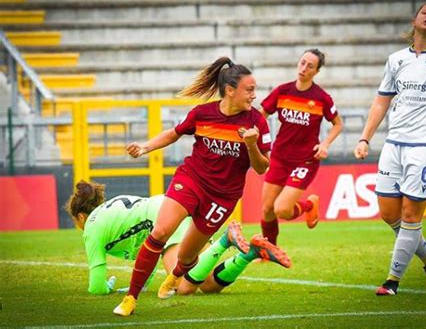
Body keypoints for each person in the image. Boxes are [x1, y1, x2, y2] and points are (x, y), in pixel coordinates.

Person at [113, 57, 272, 316]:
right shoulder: (202, 114)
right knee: (160, 231)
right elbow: (174, 133)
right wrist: (145, 146)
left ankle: (174, 276)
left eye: (255, 89)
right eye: (250, 89)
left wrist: (252, 144)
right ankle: (130, 298)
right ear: (230, 91)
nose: (254, 95)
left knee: (187, 258)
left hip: (223, 197)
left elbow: (262, 167)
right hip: (191, 180)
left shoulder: (257, 122)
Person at [353, 3, 426, 295]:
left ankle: (392, 281)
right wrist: (365, 138)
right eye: (425, 12)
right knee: (388, 213)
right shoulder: (396, 60)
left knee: (411, 215)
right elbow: (381, 101)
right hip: (394, 144)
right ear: (414, 20)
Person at [259, 49, 343, 245]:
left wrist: (325, 144)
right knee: (267, 209)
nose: (304, 68)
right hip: (279, 157)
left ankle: (307, 205)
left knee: (281, 209)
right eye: (302, 62)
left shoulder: (322, 98)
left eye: (310, 66)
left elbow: (338, 124)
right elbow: (260, 115)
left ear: (316, 72)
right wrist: (259, 140)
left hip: (305, 160)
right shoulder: (282, 92)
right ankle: (269, 250)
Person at [64, 180, 192, 295]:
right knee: (208, 283)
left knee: (182, 286)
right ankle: (213, 252)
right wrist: (141, 285)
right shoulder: (110, 209)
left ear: (81, 216)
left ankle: (214, 250)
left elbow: (96, 288)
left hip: (163, 217)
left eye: (75, 221)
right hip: (173, 203)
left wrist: (105, 287)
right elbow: (148, 252)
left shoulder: (92, 228)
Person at [178, 221, 291, 295]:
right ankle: (250, 254)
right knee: (208, 287)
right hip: (194, 220)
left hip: (172, 217)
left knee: (183, 288)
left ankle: (224, 241)